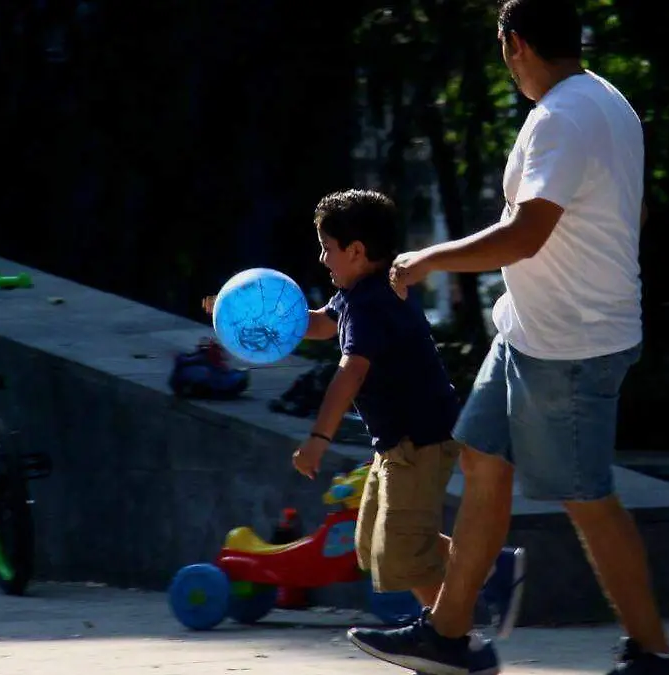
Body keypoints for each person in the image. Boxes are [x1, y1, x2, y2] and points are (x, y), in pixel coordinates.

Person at [344, 2, 669, 675]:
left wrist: (427, 259)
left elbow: (526, 232)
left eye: (502, 48)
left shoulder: (563, 117)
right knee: (482, 457)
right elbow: (633, 209)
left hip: (569, 345)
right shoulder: (606, 101)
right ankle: (449, 634)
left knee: (587, 497)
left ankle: (655, 654)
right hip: (528, 331)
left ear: (516, 44)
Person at [202, 189, 525, 655]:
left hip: (419, 440)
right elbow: (316, 324)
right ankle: (477, 595)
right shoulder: (355, 295)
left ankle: (455, 634)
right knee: (374, 543)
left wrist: (318, 438)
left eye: (327, 247)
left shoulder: (373, 304)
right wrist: (241, 315)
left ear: (356, 251)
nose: (321, 257)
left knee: (398, 551)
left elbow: (350, 372)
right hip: (398, 443)